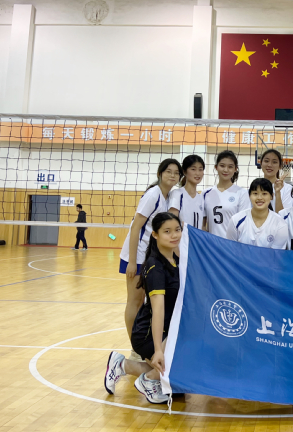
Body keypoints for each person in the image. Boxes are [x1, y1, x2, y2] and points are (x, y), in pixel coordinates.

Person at [104, 212, 182, 404]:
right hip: (148, 334)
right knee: (176, 370)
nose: (174, 235)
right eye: (167, 231)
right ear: (155, 235)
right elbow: (158, 311)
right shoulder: (155, 268)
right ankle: (149, 380)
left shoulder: (176, 261)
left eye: (177, 230)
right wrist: (159, 350)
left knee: (179, 380)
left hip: (168, 332)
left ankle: (123, 365)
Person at [119, 158, 183, 341]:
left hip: (148, 255)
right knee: (135, 301)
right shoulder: (153, 194)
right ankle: (134, 346)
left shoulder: (167, 196)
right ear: (160, 174)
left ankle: (141, 343)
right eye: (168, 171)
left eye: (176, 173)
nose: (172, 175)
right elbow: (135, 228)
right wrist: (132, 262)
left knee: (144, 302)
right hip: (136, 255)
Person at [226, 178, 289, 249]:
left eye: (264, 194)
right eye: (255, 193)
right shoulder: (236, 220)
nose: (259, 198)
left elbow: (275, 254)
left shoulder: (280, 224)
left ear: (271, 196)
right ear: (249, 195)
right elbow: (231, 249)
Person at [202, 151, 249, 238]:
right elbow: (202, 225)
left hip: (232, 244)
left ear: (235, 169)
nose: (226, 170)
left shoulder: (242, 193)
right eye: (222, 166)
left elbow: (244, 226)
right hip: (211, 243)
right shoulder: (205, 193)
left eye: (230, 167)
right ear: (216, 167)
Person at [168, 154, 205, 229]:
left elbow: (203, 226)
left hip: (197, 237)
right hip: (181, 236)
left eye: (200, 169)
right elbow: (171, 223)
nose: (197, 173)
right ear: (184, 172)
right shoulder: (177, 194)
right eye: (193, 169)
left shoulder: (201, 198)